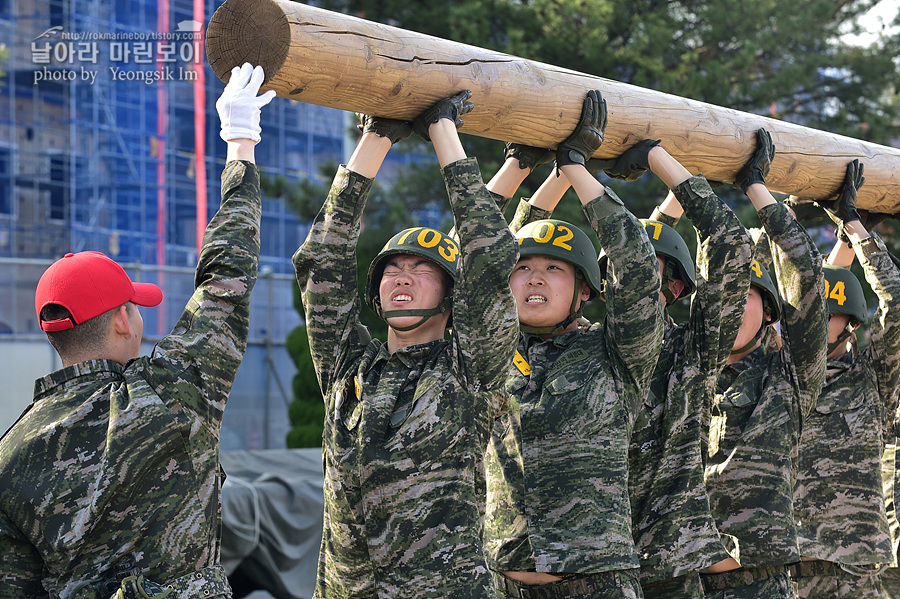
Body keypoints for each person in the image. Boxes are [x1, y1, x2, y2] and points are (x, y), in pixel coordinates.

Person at [0, 62, 274, 598]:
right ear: (124, 320)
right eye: (137, 308)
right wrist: (240, 141)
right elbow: (227, 277)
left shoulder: (11, 453)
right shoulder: (172, 392)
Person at [292, 91, 519, 598]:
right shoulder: (350, 368)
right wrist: (376, 138)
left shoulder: (470, 367)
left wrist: (443, 130)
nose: (402, 278)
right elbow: (322, 263)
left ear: (450, 295)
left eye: (421, 271)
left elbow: (488, 258)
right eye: (392, 270)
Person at [484, 90, 665, 599]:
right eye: (523, 269)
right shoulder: (486, 352)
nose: (534, 280)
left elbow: (634, 266)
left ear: (585, 290)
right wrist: (522, 165)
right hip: (501, 583)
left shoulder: (617, 353)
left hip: (596, 584)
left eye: (553, 270)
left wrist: (576, 168)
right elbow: (473, 253)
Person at [613, 142, 754, 598]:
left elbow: (731, 248)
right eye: (620, 269)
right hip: (581, 565)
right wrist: (560, 168)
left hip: (666, 566)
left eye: (645, 272)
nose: (631, 277)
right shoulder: (575, 346)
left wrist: (662, 160)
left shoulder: (691, 350)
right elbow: (501, 269)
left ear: (674, 287)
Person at [702, 129, 828, 598]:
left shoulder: (788, 378)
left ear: (770, 311)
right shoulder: (678, 367)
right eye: (721, 297)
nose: (731, 309)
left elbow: (808, 283)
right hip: (671, 575)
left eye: (746, 298)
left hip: (757, 581)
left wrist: (758, 189)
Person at [790, 161, 900, 598]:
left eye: (830, 319)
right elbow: (813, 296)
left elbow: (895, 302)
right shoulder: (783, 369)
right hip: (786, 566)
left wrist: (857, 231)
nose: (814, 324)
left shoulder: (872, 378)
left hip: (858, 573)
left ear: (851, 325)